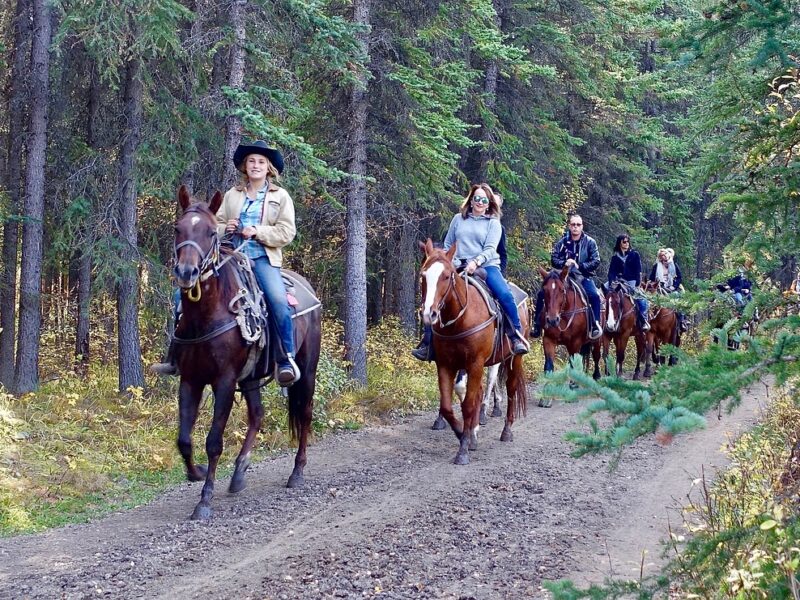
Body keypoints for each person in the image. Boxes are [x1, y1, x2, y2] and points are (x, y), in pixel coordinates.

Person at [152, 140, 300, 387]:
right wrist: (225, 228)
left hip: (263, 258)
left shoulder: (280, 197)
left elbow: (287, 232)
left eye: (261, 162)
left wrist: (257, 231)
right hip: (230, 257)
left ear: (268, 168)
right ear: (245, 166)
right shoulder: (232, 195)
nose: (256, 166)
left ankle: (286, 359)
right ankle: (176, 356)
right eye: (251, 161)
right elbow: (212, 226)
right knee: (181, 297)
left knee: (278, 301)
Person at [412, 184, 529, 360]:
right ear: (471, 200)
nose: (480, 202)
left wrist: (476, 262)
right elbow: (447, 245)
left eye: (484, 200)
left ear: (489, 203)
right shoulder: (458, 219)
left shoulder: (493, 223)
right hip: (458, 265)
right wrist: (452, 262)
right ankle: (428, 342)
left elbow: (491, 249)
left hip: (486, 266)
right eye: (477, 198)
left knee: (504, 294)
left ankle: (516, 335)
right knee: (434, 296)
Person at [531, 214, 603, 340]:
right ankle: (537, 325)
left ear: (582, 226)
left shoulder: (590, 242)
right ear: (569, 226)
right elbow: (554, 259)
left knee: (594, 295)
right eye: (573, 224)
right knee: (542, 293)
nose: (575, 227)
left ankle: (594, 324)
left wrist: (579, 265)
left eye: (578, 225)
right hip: (562, 276)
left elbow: (596, 260)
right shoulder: (562, 242)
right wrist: (564, 263)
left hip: (582, 275)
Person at [607, 234, 649, 331]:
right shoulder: (615, 257)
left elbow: (638, 269)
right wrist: (611, 282)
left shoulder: (634, 254)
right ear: (620, 243)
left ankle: (643, 320)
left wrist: (638, 282)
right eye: (624, 241)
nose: (626, 243)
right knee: (603, 292)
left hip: (631, 280)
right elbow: (611, 272)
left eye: (627, 241)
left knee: (641, 297)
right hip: (618, 280)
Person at [648, 248, 688, 332]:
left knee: (678, 298)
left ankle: (682, 320)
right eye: (662, 255)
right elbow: (651, 278)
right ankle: (646, 320)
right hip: (659, 287)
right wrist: (654, 284)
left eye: (665, 254)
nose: (664, 256)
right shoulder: (656, 266)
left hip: (671, 287)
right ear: (660, 257)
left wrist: (674, 286)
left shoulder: (674, 265)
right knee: (650, 300)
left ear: (668, 255)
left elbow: (679, 277)